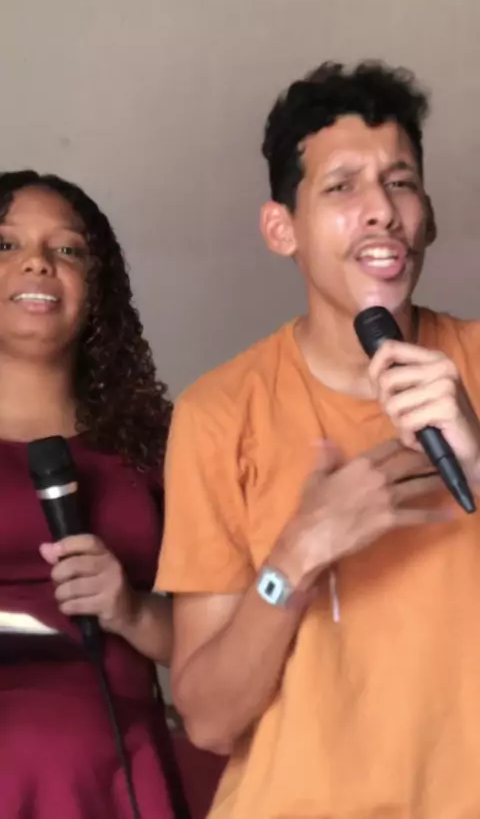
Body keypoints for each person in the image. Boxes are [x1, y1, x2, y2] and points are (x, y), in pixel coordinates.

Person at [156, 62, 480, 818]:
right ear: (283, 229)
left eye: (400, 183)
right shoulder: (218, 413)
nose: (382, 211)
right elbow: (208, 720)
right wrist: (297, 555)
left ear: (428, 215)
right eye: (342, 187)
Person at [0, 170, 184, 818]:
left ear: (97, 288)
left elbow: (216, 647)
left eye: (68, 249)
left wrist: (129, 610)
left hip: (119, 773)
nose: (37, 262)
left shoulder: (156, 446)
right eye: (6, 244)